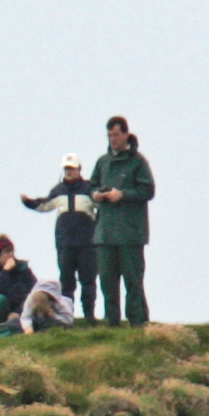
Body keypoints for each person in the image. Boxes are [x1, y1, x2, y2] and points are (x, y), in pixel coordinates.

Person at [87, 116, 154, 326]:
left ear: (126, 134)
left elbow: (148, 190)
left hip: (130, 234)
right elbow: (91, 186)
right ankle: (111, 323)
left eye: (116, 135)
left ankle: (138, 323)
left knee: (133, 281)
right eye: (109, 135)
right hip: (105, 234)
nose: (112, 139)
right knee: (107, 281)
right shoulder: (102, 162)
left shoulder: (138, 161)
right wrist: (96, 195)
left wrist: (122, 195)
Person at [20, 153, 99, 309]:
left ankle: (89, 314)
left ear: (79, 169)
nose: (69, 172)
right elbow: (44, 205)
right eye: (66, 169)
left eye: (72, 169)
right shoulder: (58, 190)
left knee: (88, 279)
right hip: (65, 243)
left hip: (87, 243)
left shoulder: (89, 188)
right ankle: (67, 314)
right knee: (66, 281)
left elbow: (102, 205)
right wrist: (28, 202)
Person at [0, 234, 37, 335]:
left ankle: (4, 333)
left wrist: (18, 312)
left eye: (12, 251)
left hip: (22, 313)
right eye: (7, 251)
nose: (11, 255)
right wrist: (5, 271)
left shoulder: (23, 269)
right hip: (1, 313)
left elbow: (35, 292)